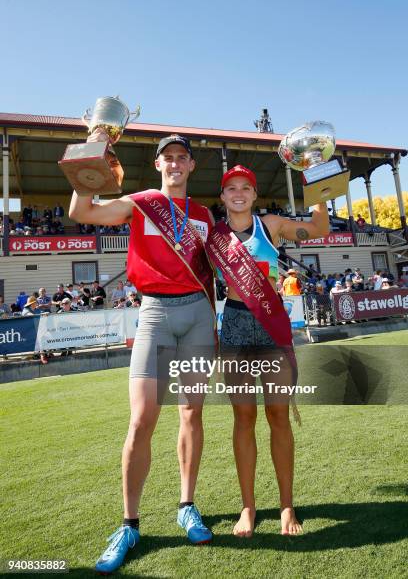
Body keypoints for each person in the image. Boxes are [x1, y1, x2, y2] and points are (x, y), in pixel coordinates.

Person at [69, 133, 216, 573]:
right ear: (158, 166)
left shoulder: (206, 215)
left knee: (191, 412)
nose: (174, 164)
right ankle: (129, 523)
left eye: (181, 158)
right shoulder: (142, 201)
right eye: (167, 158)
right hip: (154, 313)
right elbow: (82, 211)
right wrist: (88, 165)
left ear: (191, 166)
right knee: (142, 418)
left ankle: (186, 504)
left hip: (198, 314)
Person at [206, 165, 329, 538]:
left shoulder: (270, 225)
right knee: (243, 418)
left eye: (246, 187)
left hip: (271, 325)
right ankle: (248, 506)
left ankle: (286, 504)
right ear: (223, 196)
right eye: (231, 188)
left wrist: (319, 185)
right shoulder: (212, 236)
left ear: (255, 195)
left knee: (278, 415)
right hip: (236, 326)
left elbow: (320, 229)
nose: (239, 193)